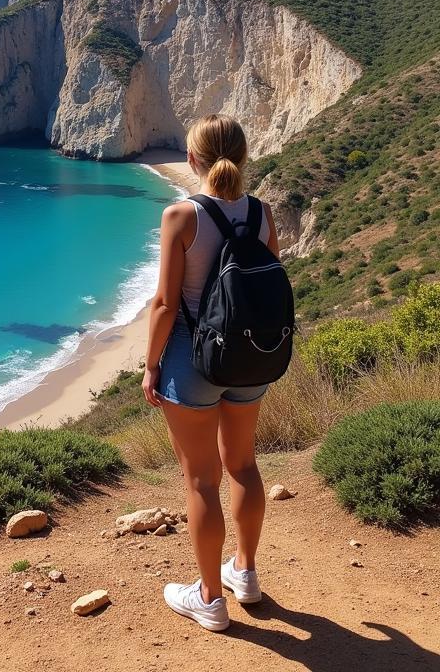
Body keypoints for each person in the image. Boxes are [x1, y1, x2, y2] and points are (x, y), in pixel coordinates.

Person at [142, 114, 280, 632]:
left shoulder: (181, 215)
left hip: (192, 360)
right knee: (243, 465)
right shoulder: (263, 214)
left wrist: (151, 366)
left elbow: (164, 305)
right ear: (242, 158)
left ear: (193, 160)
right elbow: (266, 286)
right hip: (250, 357)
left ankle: (210, 599)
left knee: (202, 480)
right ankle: (245, 573)